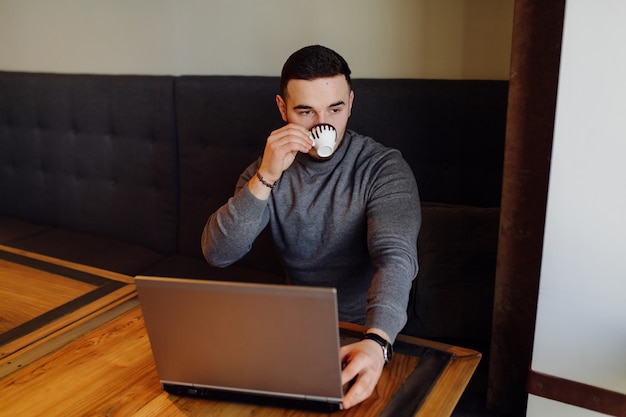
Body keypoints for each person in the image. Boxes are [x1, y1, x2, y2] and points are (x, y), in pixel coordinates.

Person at [202, 45, 420, 409]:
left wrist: (378, 341)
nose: (324, 123)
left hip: (371, 329)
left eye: (335, 108)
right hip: (300, 329)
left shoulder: (383, 168)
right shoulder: (268, 169)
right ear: (283, 109)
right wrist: (266, 177)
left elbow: (395, 257)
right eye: (306, 111)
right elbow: (217, 254)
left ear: (350, 103)